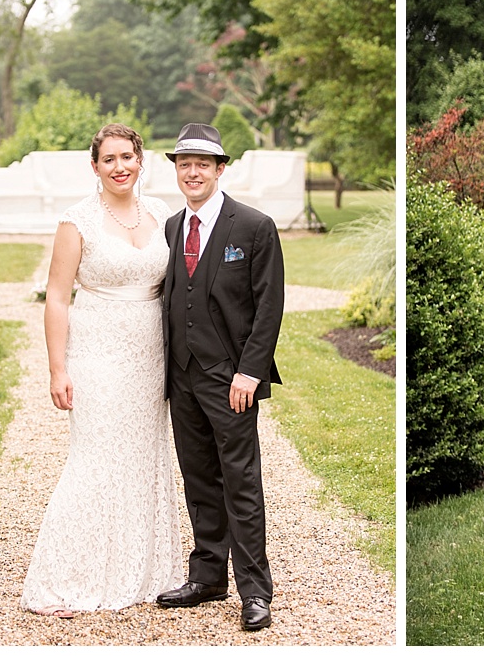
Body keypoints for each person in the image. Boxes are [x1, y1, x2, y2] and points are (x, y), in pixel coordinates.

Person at [23, 123, 183, 617]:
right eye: (109, 159)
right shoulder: (77, 221)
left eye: (127, 157)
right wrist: (57, 368)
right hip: (97, 353)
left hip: (152, 356)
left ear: (141, 161)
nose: (120, 167)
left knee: (143, 457)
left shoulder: (162, 213)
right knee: (94, 459)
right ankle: (67, 576)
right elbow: (56, 296)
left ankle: (141, 571)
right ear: (94, 166)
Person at [155, 123, 285, 632]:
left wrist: (249, 372)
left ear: (220, 169)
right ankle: (208, 576)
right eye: (184, 164)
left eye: (202, 164)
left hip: (231, 379)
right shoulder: (169, 228)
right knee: (198, 479)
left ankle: (255, 591)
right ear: (177, 170)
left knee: (241, 482)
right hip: (182, 377)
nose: (192, 172)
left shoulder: (253, 226)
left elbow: (268, 305)